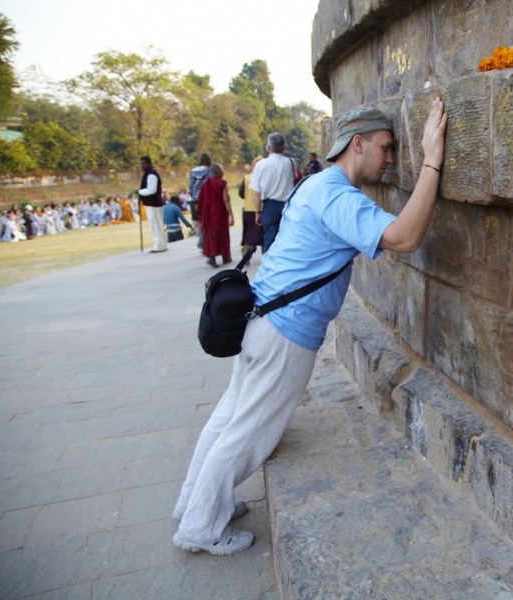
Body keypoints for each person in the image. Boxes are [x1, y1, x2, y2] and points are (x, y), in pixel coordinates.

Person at [172, 98, 448, 556]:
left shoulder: (315, 183)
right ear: (357, 144)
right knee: (248, 434)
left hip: (263, 321)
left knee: (229, 418)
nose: (390, 158)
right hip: (285, 335)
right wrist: (433, 159)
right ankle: (200, 528)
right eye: (385, 147)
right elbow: (405, 236)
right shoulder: (336, 195)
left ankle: (193, 504)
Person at [250, 133, 295, 253]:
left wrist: (257, 212)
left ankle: (270, 261)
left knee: (270, 238)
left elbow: (257, 193)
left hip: (269, 206)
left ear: (268, 147)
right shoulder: (290, 162)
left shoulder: (260, 165)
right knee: (287, 238)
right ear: (284, 147)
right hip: (287, 205)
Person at [197, 163, 234, 267]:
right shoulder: (222, 183)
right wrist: (231, 214)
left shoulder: (206, 183)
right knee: (222, 234)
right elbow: (226, 199)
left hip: (209, 213)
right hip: (220, 212)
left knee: (211, 235)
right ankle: (225, 256)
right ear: (220, 172)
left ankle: (211, 257)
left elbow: (201, 200)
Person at [138, 156, 168, 253]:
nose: (142, 165)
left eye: (144, 163)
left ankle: (159, 245)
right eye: (141, 163)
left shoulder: (151, 174)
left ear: (149, 163)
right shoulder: (149, 173)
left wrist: (139, 191)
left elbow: (152, 190)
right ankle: (161, 244)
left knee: (156, 224)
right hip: (153, 203)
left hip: (154, 203)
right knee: (157, 224)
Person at [188, 153, 212, 250]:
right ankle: (203, 243)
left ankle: (203, 243)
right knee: (207, 221)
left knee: (201, 221)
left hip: (196, 200)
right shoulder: (209, 171)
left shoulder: (193, 171)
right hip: (207, 199)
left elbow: (190, 187)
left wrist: (193, 196)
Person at [239, 157, 263, 255]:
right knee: (264, 235)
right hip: (262, 208)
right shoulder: (265, 177)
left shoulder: (247, 178)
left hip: (249, 209)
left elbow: (241, 193)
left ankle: (245, 254)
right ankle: (265, 255)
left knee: (249, 235)